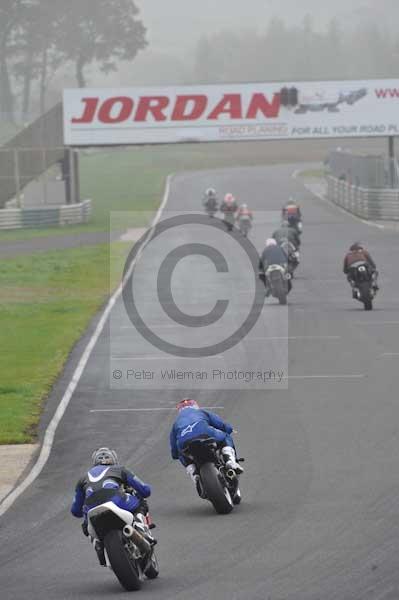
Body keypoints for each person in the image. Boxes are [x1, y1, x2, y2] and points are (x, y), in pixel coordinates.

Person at [71, 447, 155, 566]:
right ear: (114, 460)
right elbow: (145, 490)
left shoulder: (82, 479)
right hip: (116, 500)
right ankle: (141, 528)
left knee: (86, 525)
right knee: (140, 500)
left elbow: (75, 511)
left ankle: (98, 545)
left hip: (92, 510)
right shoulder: (119, 469)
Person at [170, 399, 243, 493]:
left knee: (181, 453)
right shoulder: (201, 412)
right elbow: (220, 424)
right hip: (205, 433)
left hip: (184, 442)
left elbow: (174, 451)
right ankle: (230, 460)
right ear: (195, 406)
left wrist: (176, 454)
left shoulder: (176, 423)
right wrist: (229, 429)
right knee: (225, 436)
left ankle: (193, 473)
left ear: (179, 410)